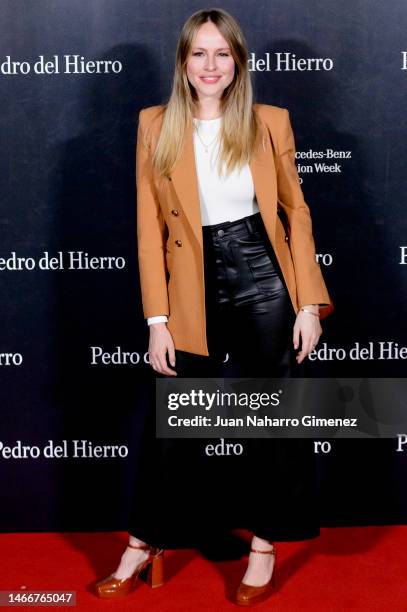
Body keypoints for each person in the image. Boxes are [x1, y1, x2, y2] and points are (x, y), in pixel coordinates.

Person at [94, 7, 333, 607]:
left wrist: (307, 302)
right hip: (188, 286)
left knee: (268, 423)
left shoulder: (270, 121)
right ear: (183, 61)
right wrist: (156, 320)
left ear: (237, 62)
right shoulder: (155, 124)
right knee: (170, 424)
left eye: (221, 53)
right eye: (198, 53)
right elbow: (149, 229)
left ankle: (263, 545)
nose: (209, 65)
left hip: (261, 274)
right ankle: (143, 541)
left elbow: (294, 213)